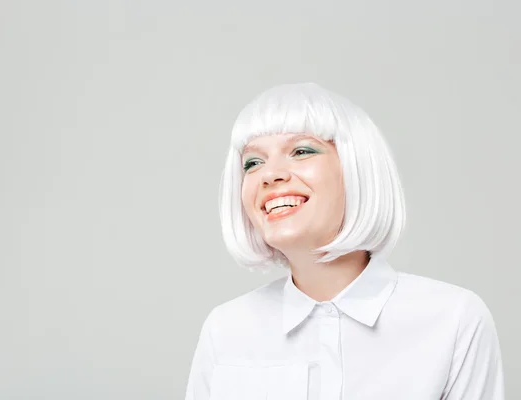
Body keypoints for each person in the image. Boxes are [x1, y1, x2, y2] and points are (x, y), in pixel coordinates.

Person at [184, 83, 504, 399]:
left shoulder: (453, 320)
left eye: (301, 151)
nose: (270, 175)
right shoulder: (225, 330)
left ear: (356, 168)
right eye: (253, 163)